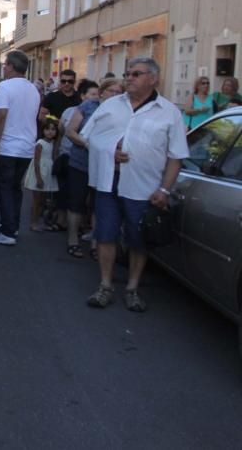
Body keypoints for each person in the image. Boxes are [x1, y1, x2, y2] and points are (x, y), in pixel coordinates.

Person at [81, 58, 189, 312]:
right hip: (109, 181)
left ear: (153, 78)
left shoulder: (169, 112)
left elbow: (176, 156)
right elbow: (88, 137)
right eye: (127, 73)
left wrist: (164, 189)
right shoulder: (110, 106)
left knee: (138, 239)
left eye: (136, 74)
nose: (129, 78)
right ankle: (105, 285)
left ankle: (132, 288)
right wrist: (111, 149)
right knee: (105, 234)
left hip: (144, 187)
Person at [0, 51, 41, 246]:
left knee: (4, 188)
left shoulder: (4, 87)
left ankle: (8, 230)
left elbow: (0, 116)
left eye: (5, 65)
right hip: (26, 147)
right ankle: (12, 224)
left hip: (7, 146)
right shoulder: (33, 89)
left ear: (10, 65)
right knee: (14, 188)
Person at [65, 78, 121, 259]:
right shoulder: (88, 106)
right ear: (102, 92)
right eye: (111, 91)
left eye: (118, 92)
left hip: (106, 166)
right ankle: (73, 240)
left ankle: (96, 243)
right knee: (76, 203)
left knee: (99, 206)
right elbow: (71, 130)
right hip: (81, 163)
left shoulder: (124, 111)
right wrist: (88, 143)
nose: (115, 95)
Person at [24, 117, 60, 232]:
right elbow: (36, 161)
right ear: (43, 130)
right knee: (37, 199)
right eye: (47, 129)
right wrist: (38, 178)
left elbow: (54, 155)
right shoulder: (40, 143)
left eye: (53, 129)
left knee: (43, 200)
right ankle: (33, 222)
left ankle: (38, 221)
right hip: (40, 171)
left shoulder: (53, 143)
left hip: (48, 171)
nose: (50, 132)